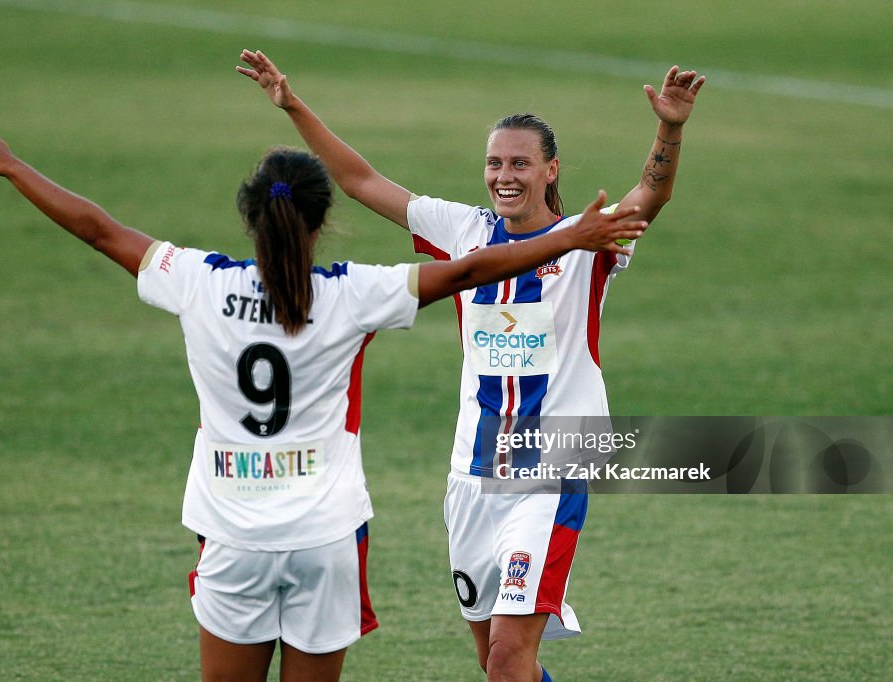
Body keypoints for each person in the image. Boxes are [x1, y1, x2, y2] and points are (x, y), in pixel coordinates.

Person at [0, 108, 645, 681]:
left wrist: (12, 167)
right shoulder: (350, 294)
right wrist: (572, 236)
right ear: (321, 220)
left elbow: (98, 229)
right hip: (325, 539)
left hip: (231, 535)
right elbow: (470, 273)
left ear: (252, 216)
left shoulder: (200, 282)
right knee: (494, 655)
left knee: (503, 656)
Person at [237, 49, 705, 681]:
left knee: (509, 663)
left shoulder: (586, 239)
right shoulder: (462, 230)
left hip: (554, 465)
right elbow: (361, 182)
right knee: (495, 662)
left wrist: (668, 128)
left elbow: (651, 194)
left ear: (550, 170)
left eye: (520, 162)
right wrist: (292, 104)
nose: (504, 174)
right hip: (472, 472)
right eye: (494, 162)